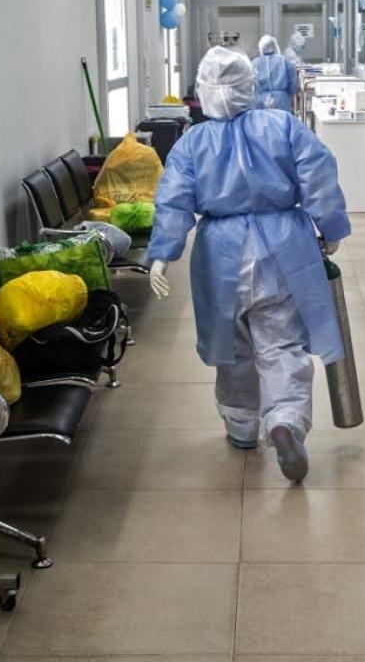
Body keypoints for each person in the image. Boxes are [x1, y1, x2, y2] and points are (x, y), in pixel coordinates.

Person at [146, 46, 350, 483]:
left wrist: (162, 254)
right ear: (248, 85)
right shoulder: (283, 126)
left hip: (221, 254)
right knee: (282, 342)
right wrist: (330, 228)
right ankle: (285, 420)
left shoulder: (191, 144)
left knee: (233, 344)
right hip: (283, 247)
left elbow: (173, 202)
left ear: (204, 92)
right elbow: (318, 176)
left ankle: (241, 426)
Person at [251, 35, 297, 111]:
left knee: (263, 118)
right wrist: (288, 95)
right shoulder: (284, 61)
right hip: (281, 99)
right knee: (281, 118)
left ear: (261, 47)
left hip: (261, 99)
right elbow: (293, 82)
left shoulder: (255, 63)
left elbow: (251, 85)